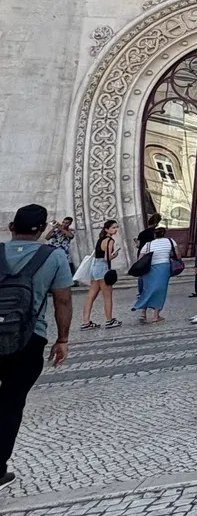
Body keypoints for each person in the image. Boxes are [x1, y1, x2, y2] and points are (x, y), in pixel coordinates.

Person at [0, 205, 72, 490]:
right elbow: (62, 300)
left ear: (11, 226)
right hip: (29, 338)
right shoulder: (54, 256)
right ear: (43, 230)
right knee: (11, 403)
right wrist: (62, 339)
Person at [80, 220, 121, 329]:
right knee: (107, 295)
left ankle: (85, 322)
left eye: (116, 227)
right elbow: (107, 258)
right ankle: (109, 320)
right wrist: (115, 255)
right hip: (103, 268)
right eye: (113, 227)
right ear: (107, 229)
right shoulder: (110, 240)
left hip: (95, 267)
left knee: (90, 296)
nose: (115, 229)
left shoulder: (100, 240)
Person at [131, 225, 174, 324]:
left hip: (149, 269)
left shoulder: (148, 245)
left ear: (154, 235)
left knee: (147, 290)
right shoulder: (170, 241)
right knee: (160, 291)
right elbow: (178, 254)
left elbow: (140, 259)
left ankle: (143, 313)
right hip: (164, 267)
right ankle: (156, 315)